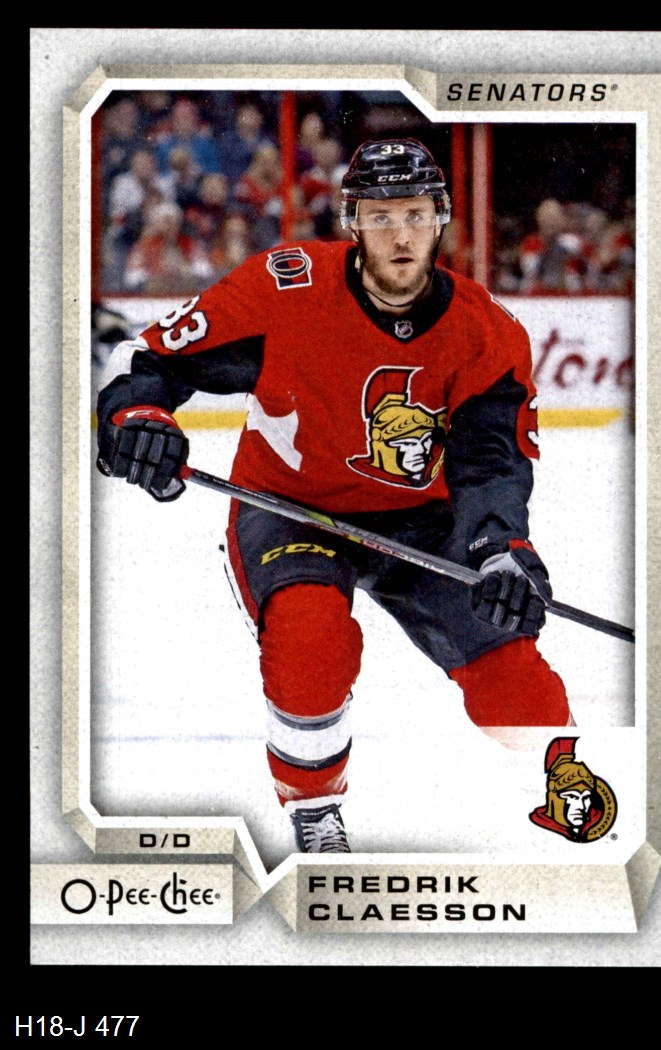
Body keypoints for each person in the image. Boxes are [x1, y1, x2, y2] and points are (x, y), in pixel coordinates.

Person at [96, 139, 573, 855]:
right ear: (353, 221)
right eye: (381, 217)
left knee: (518, 692)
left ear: (441, 219)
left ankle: (578, 786)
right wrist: (138, 418)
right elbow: (152, 357)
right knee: (310, 644)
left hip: (424, 522)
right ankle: (315, 809)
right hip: (293, 508)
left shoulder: (486, 332)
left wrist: (502, 548)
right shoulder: (285, 288)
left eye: (415, 215)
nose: (401, 235)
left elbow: (491, 462)